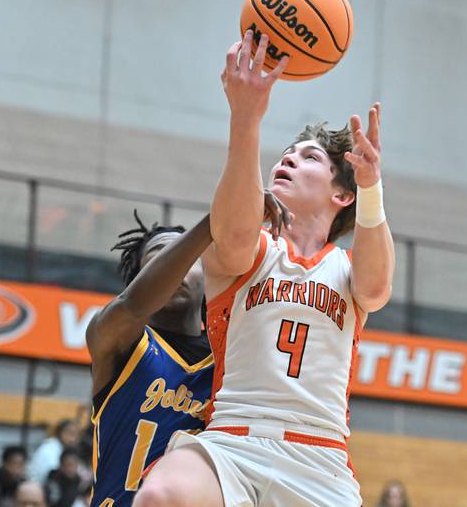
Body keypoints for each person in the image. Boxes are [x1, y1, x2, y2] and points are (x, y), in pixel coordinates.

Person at [135, 31, 394, 507]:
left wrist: (372, 186)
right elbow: (229, 231)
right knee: (163, 495)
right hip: (233, 439)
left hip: (320, 457)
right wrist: (246, 116)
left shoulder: (347, 269)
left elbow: (377, 289)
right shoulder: (252, 250)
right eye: (286, 155)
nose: (290, 159)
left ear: (342, 194)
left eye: (309, 157)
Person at [88, 200, 289, 507]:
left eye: (190, 260)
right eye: (158, 256)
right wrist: (219, 220)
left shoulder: (231, 360)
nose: (178, 266)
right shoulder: (116, 336)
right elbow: (132, 305)